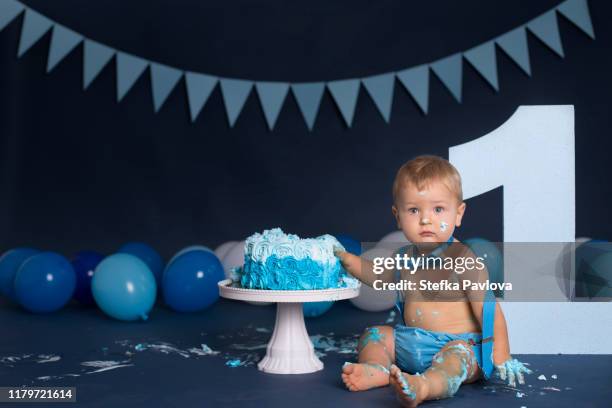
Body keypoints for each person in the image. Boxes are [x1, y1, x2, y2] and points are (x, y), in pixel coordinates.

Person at [336, 155, 531, 406]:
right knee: (375, 335)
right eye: (414, 210)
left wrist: (502, 355)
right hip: (410, 342)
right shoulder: (404, 257)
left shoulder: (463, 260)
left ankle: (426, 386)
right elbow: (378, 276)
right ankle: (377, 369)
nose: (426, 219)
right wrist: (348, 260)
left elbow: (488, 309)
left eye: (438, 209)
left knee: (457, 359)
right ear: (398, 215)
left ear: (458, 214)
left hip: (456, 345)